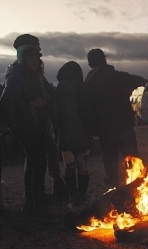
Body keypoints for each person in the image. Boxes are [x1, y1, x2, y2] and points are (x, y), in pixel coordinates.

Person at [13, 34, 68, 200]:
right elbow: (11, 103)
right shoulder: (20, 75)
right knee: (36, 163)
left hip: (40, 125)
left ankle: (37, 197)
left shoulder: (34, 73)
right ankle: (34, 199)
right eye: (37, 46)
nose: (40, 49)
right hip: (32, 127)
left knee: (37, 161)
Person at [85, 48, 148, 189]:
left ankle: (112, 187)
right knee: (132, 157)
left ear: (90, 64)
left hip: (104, 129)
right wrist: (142, 82)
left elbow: (88, 107)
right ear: (105, 60)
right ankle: (136, 186)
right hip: (124, 125)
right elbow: (138, 80)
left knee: (110, 161)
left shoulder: (89, 82)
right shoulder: (118, 76)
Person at [0, 45, 51, 215]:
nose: (35, 60)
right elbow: (7, 103)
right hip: (25, 128)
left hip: (36, 127)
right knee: (39, 163)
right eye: (30, 57)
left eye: (37, 57)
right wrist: (17, 127)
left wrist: (45, 103)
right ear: (23, 59)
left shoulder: (36, 77)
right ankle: (37, 202)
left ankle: (31, 203)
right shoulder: (16, 78)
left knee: (32, 164)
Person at [53, 61, 93, 206]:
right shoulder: (85, 88)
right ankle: (82, 197)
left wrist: (56, 132)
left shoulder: (59, 90)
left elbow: (55, 114)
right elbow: (89, 112)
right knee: (83, 167)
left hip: (66, 135)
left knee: (68, 167)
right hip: (84, 134)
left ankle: (73, 198)